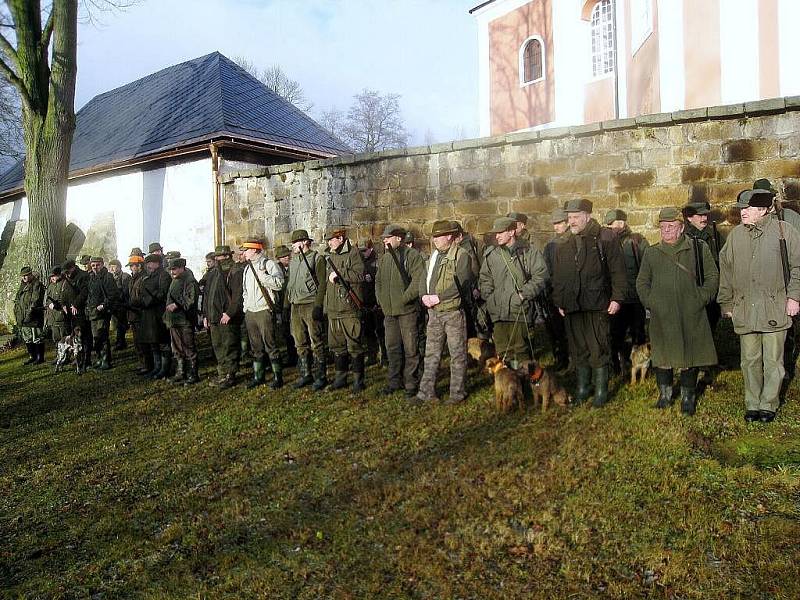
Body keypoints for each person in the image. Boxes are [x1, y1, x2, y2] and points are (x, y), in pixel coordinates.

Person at [718, 189, 800, 423]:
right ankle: (752, 404)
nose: (742, 213)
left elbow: (798, 267)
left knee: (773, 360)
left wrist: (794, 297)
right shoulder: (735, 236)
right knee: (749, 360)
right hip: (745, 309)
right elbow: (726, 270)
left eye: (747, 209)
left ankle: (768, 405)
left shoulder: (785, 232)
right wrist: (726, 302)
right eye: (741, 209)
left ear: (763, 209)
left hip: (774, 307)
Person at [636, 208, 719, 416]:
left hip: (690, 314)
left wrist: (700, 298)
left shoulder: (698, 249)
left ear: (681, 227)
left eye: (671, 226)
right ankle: (664, 396)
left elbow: (712, 277)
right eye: (663, 227)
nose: (666, 230)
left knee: (689, 356)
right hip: (661, 315)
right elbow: (642, 282)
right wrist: (651, 302)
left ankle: (688, 399)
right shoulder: (651, 253)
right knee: (662, 355)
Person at [551, 199, 627, 406]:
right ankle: (584, 388)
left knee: (598, 347)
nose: (572, 222)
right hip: (572, 306)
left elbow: (618, 271)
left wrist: (617, 298)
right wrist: (559, 300)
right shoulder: (564, 243)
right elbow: (558, 276)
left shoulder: (605, 238)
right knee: (578, 349)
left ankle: (601, 391)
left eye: (576, 217)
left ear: (588, 216)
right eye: (569, 218)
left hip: (597, 304)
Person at [416, 220, 473, 405]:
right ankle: (426, 393)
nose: (435, 240)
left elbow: (462, 283)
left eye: (438, 236)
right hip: (434, 313)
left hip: (453, 312)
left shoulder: (462, 255)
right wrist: (423, 295)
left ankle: (457, 394)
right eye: (433, 236)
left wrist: (439, 297)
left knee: (457, 354)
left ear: (449, 236)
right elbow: (424, 278)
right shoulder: (432, 257)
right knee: (431, 354)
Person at [479, 216, 547, 368]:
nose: (496, 236)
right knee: (503, 352)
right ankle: (511, 387)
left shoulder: (529, 251)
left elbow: (541, 276)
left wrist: (523, 295)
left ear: (511, 232)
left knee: (521, 351)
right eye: (495, 233)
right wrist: (490, 297)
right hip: (498, 310)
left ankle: (525, 386)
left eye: (500, 232)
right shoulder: (491, 254)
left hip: (520, 308)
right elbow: (485, 278)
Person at [375, 223, 425, 398]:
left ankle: (411, 383)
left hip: (407, 311)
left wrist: (404, 299)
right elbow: (378, 282)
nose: (385, 241)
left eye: (388, 238)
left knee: (411, 348)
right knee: (392, 348)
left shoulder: (412, 256)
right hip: (389, 313)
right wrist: (381, 301)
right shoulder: (384, 259)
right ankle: (394, 381)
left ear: (398, 238)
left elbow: (417, 281)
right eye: (384, 238)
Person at [605, 209, 649, 374]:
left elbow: (648, 266)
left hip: (636, 298)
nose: (610, 227)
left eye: (612, 224)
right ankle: (618, 367)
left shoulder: (637, 241)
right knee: (616, 334)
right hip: (616, 299)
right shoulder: (607, 243)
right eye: (608, 225)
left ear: (622, 223)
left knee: (638, 334)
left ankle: (641, 366)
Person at [324, 226, 367, 391]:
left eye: (331, 239)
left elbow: (359, 275)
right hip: (334, 309)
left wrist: (340, 273)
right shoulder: (330, 255)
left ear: (340, 239)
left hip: (349, 308)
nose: (329, 242)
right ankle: (340, 378)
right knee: (337, 347)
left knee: (354, 345)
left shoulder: (353, 253)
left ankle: (358, 380)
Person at [240, 239, 285, 389]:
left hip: (264, 310)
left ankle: (278, 377)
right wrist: (246, 308)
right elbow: (245, 291)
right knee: (256, 347)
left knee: (270, 345)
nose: (244, 253)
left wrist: (264, 277)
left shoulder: (269, 264)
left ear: (254, 250)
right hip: (251, 312)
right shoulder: (247, 268)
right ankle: (258, 376)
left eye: (246, 250)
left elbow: (279, 284)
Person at [287, 229, 328, 390]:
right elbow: (289, 283)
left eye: (295, 242)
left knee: (316, 341)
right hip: (295, 305)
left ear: (305, 242)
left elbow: (322, 283)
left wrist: (318, 305)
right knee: (299, 341)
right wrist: (286, 306)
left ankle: (320, 376)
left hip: (310, 304)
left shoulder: (316, 259)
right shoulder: (294, 260)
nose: (293, 246)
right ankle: (305, 374)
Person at [202, 245, 244, 389]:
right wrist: (206, 315)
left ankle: (230, 375)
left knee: (229, 345)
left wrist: (229, 313)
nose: (216, 259)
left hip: (227, 317)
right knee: (218, 346)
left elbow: (238, 296)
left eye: (218, 256)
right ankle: (222, 374)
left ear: (226, 256)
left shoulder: (234, 271)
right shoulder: (214, 273)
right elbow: (207, 295)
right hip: (214, 317)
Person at [539, 208, 570, 370]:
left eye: (559, 223)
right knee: (558, 330)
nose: (556, 227)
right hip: (555, 293)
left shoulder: (575, 240)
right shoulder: (551, 245)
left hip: (571, 292)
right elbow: (546, 270)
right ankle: (562, 359)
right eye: (554, 224)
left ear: (567, 223)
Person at [164, 257, 200, 385]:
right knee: (177, 348)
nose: (172, 272)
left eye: (174, 269)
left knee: (189, 348)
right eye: (170, 269)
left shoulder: (190, 281)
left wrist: (177, 305)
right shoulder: (175, 280)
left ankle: (193, 374)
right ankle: (181, 372)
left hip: (185, 320)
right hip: (174, 320)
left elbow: (191, 301)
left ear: (181, 268)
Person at [86, 257, 121, 370]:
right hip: (92, 312)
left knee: (103, 336)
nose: (95, 267)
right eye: (93, 265)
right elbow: (90, 295)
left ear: (102, 264)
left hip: (102, 312)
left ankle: (106, 360)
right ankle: (99, 358)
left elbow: (113, 294)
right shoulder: (92, 278)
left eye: (97, 265)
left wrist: (104, 305)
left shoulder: (108, 277)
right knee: (96, 337)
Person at [360, 239, 386, 367]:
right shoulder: (360, 263)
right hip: (365, 303)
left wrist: (379, 302)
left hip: (376, 303)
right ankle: (372, 355)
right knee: (368, 331)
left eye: (365, 250)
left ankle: (384, 356)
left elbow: (380, 283)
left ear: (370, 249)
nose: (363, 253)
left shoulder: (377, 263)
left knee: (381, 331)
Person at [63, 259, 92, 371]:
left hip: (81, 311)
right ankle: (78, 359)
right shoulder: (67, 278)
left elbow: (84, 292)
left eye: (68, 271)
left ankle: (86, 360)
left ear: (73, 268)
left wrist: (75, 304)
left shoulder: (83, 276)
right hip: (71, 313)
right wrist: (64, 304)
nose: (66, 274)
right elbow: (65, 292)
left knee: (84, 337)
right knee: (75, 338)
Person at [14, 266, 45, 365]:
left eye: (26, 275)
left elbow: (35, 301)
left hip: (34, 316)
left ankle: (40, 358)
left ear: (31, 275)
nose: (24, 278)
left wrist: (29, 313)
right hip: (23, 316)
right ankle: (32, 356)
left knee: (37, 337)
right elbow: (18, 300)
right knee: (27, 337)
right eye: (22, 276)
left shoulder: (37, 285)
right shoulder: (22, 286)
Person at [126, 255, 151, 374]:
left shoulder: (144, 278)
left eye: (132, 266)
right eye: (130, 266)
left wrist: (134, 304)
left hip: (141, 314)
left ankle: (147, 365)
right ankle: (142, 363)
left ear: (139, 266)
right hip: (133, 314)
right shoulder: (133, 279)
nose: (131, 268)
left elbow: (143, 297)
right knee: (137, 342)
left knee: (143, 341)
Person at [274, 244, 296, 367]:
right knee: (287, 333)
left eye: (288, 255)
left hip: (294, 303)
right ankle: (291, 356)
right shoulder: (277, 270)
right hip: (282, 305)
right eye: (283, 256)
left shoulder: (294, 266)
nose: (287, 257)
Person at [45, 266, 74, 348]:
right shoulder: (50, 286)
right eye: (51, 276)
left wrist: (58, 305)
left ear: (59, 275)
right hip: (53, 317)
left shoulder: (65, 284)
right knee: (56, 339)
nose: (52, 278)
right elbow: (48, 299)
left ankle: (67, 357)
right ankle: (59, 356)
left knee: (65, 339)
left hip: (62, 317)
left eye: (54, 276)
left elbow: (69, 300)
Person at [108, 259, 130, 350]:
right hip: (113, 305)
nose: (112, 269)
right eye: (111, 267)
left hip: (122, 305)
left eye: (114, 266)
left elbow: (125, 291)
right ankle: (119, 342)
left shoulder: (125, 277)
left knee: (121, 325)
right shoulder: (110, 277)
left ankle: (121, 342)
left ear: (119, 267)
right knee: (117, 324)